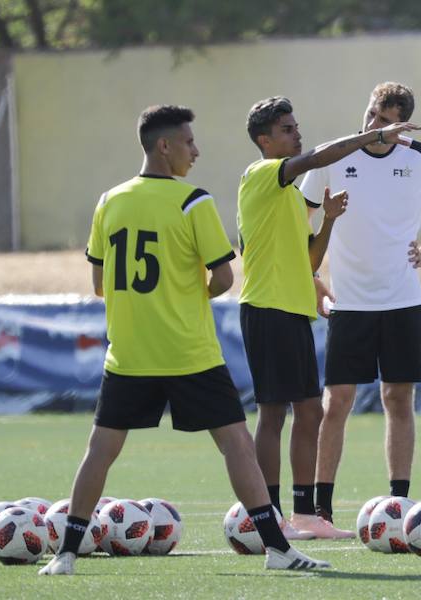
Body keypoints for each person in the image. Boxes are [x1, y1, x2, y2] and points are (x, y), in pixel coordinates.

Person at [40, 105, 329, 576]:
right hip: (188, 350)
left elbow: (98, 284)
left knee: (100, 450)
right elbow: (221, 280)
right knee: (235, 443)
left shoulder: (108, 201)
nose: (196, 150)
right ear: (165, 146)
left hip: (129, 352)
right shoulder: (193, 201)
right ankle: (279, 551)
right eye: (189, 142)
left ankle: (66, 555)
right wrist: (182, 286)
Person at [238, 96, 420, 539]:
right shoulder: (263, 173)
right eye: (287, 129)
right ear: (265, 141)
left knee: (308, 412)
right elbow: (321, 155)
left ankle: (305, 516)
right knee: (272, 415)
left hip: (295, 310)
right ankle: (271, 516)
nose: (297, 134)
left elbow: (308, 258)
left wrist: (330, 222)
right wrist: (375, 136)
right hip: (266, 308)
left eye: (296, 126)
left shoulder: (289, 197)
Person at [298, 82, 421, 522]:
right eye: (372, 115)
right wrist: (314, 276)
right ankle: (322, 506)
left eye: (386, 122)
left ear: (402, 126)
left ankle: (400, 500)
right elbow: (301, 214)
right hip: (349, 303)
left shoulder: (420, 156)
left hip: (402, 300)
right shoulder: (332, 155)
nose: (374, 127)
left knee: (398, 397)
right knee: (336, 401)